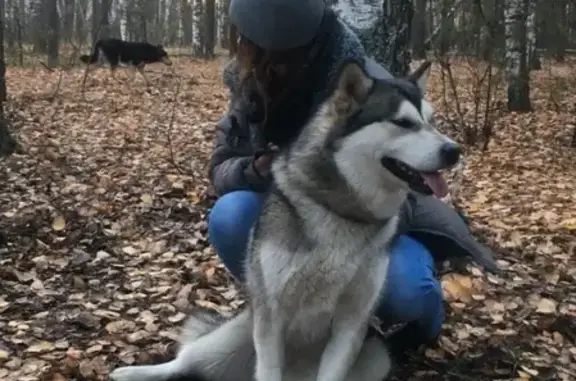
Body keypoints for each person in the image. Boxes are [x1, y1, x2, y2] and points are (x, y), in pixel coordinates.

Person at [208, 0, 498, 358]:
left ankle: (426, 316)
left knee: (409, 294)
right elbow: (220, 169)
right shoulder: (249, 87)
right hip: (297, 219)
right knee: (230, 215)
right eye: (267, 53)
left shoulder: (368, 88)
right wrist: (255, 170)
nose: (276, 65)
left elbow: (408, 194)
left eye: (286, 55)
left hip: (375, 224)